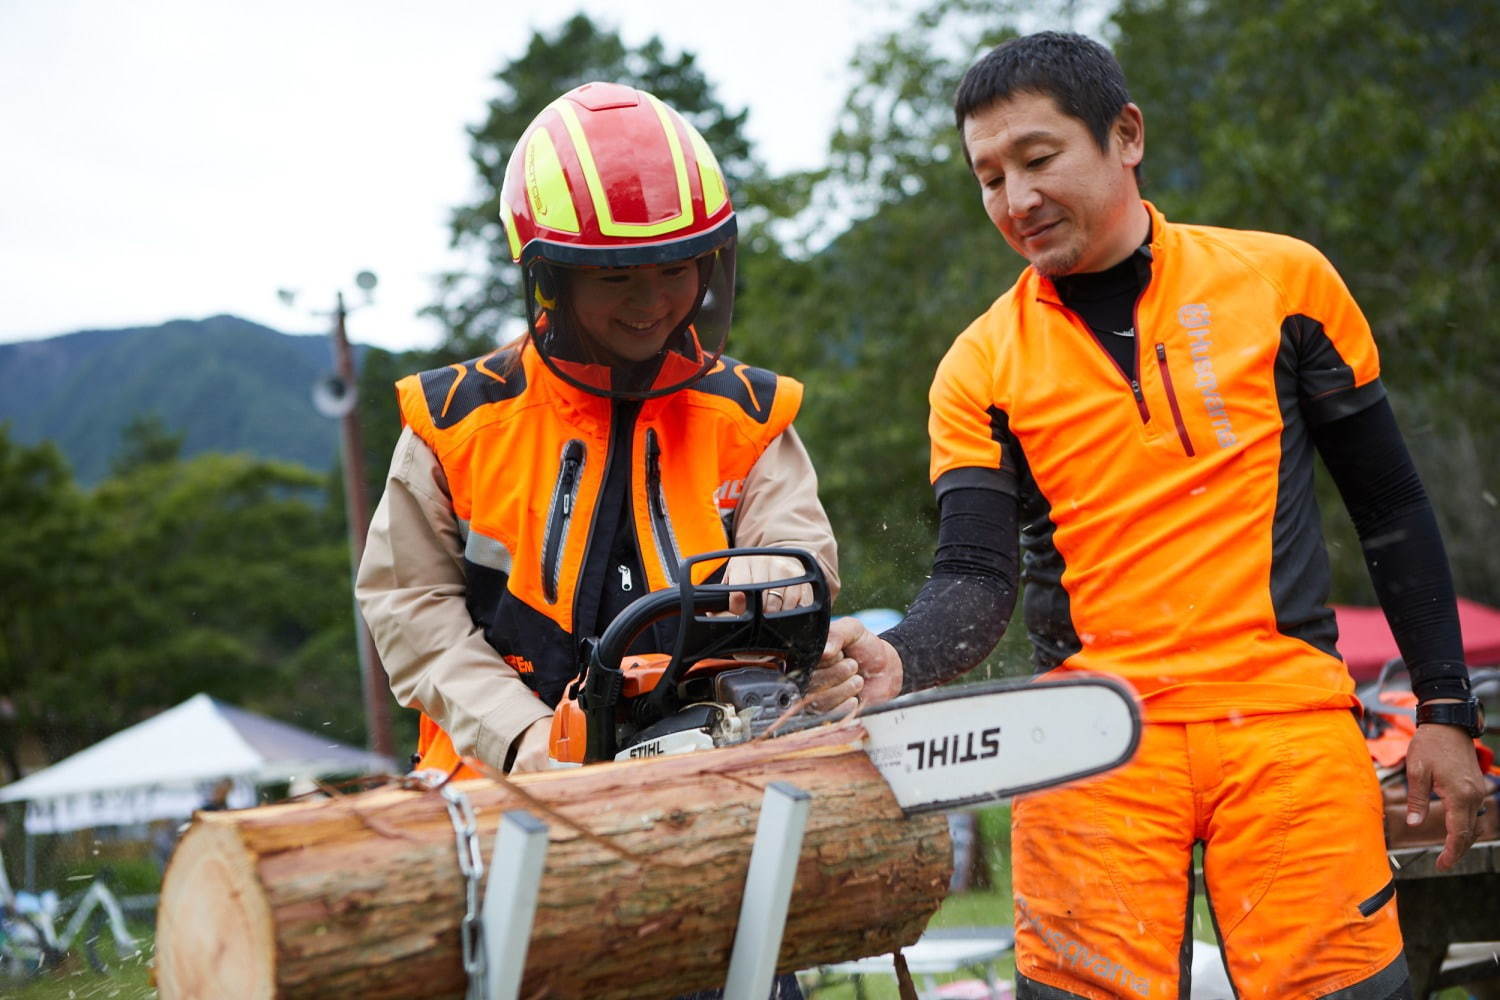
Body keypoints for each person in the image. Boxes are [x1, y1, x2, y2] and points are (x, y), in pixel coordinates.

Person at [810, 32, 1487, 999]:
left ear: (1125, 135)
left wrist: (1446, 711)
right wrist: (903, 656)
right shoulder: (979, 365)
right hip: (1087, 737)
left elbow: (1391, 510)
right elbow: (974, 578)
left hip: (1287, 721)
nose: (1016, 199)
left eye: (1039, 159)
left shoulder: (1284, 284)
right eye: (989, 177)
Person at [355, 82, 832, 1000]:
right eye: (617, 277)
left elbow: (799, 548)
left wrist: (779, 593)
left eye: (675, 268)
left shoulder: (746, 412)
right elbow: (411, 612)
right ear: (550, 277)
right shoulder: (459, 421)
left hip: (709, 797)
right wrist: (529, 738)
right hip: (506, 807)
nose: (653, 301)